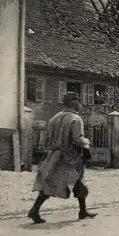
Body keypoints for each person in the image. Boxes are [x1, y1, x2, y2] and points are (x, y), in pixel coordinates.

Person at [28, 92, 97, 224]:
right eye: (78, 101)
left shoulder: (54, 118)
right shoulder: (76, 119)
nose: (80, 104)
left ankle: (35, 210)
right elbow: (78, 139)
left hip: (54, 156)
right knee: (78, 180)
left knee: (51, 183)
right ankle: (35, 210)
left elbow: (48, 139)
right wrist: (87, 143)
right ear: (74, 102)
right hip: (70, 158)